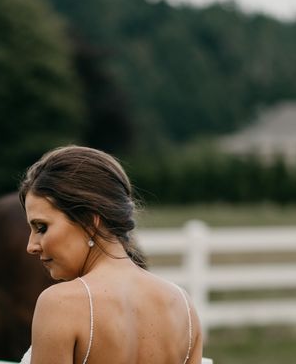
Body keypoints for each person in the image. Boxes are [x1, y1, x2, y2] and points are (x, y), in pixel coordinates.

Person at [18, 145, 202, 364]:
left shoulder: (61, 304)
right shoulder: (183, 305)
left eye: (42, 227)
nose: (31, 246)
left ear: (89, 221)